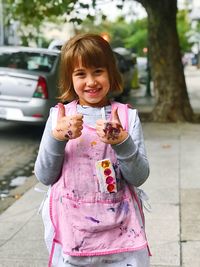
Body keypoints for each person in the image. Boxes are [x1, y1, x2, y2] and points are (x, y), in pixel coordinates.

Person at [34, 33, 151, 267]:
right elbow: (45, 176)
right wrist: (57, 138)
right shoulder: (59, 118)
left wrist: (122, 140)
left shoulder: (127, 118)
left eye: (98, 71)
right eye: (80, 74)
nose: (90, 82)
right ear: (70, 78)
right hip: (72, 234)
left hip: (121, 236)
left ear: (111, 72)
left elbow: (139, 177)